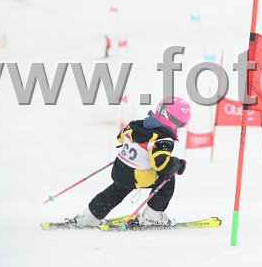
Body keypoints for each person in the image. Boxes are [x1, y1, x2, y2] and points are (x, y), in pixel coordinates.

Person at [69, 97, 191, 228]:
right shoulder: (162, 139)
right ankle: (152, 217)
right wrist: (178, 165)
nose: (180, 127)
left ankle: (89, 218)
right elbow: (160, 164)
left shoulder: (137, 125)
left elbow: (120, 137)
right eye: (180, 123)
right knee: (168, 181)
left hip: (120, 169)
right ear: (170, 119)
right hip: (137, 176)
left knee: (115, 192)